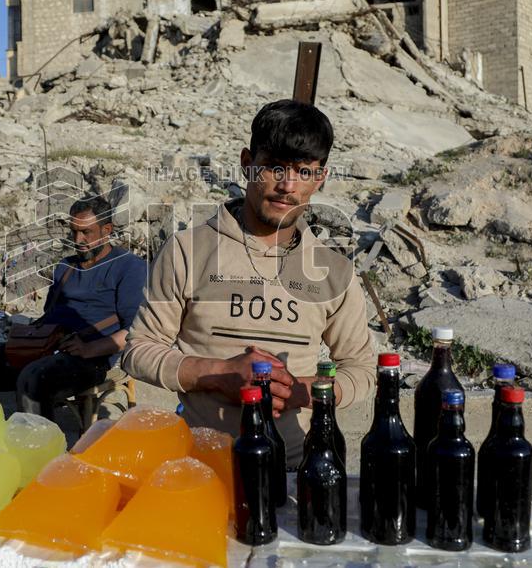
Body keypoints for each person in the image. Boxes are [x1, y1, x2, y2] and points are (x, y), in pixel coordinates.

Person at [122, 99, 376, 465]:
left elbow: (361, 369)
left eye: (303, 172)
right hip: (201, 467)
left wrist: (302, 393)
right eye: (274, 168)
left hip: (295, 470)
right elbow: (139, 350)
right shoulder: (186, 251)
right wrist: (219, 374)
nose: (287, 186)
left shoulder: (334, 271)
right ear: (247, 164)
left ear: (320, 178)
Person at [0, 195, 148, 419]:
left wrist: (90, 349)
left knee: (34, 377)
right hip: (45, 349)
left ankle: (38, 450)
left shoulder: (129, 267)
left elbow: (134, 331)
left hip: (89, 360)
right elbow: (49, 315)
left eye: (87, 232)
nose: (78, 239)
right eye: (74, 231)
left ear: (106, 230)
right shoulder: (65, 266)